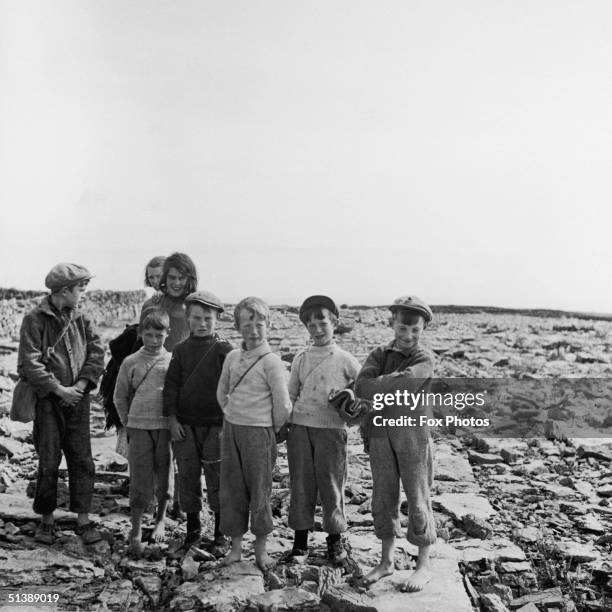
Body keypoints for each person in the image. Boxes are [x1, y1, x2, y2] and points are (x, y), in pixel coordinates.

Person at [17, 263, 105, 545]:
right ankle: (46, 519)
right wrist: (58, 390)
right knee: (49, 459)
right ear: (64, 291)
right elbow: (29, 364)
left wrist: (79, 387)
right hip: (47, 403)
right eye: (80, 289)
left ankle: (83, 519)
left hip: (78, 401)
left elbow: (96, 352)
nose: (83, 294)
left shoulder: (82, 317)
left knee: (82, 459)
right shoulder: (34, 319)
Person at [354, 295, 437, 592]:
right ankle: (386, 561)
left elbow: (406, 383)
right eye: (403, 328)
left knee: (417, 497)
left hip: (412, 436)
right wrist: (387, 384)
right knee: (384, 496)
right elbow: (361, 386)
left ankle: (423, 564)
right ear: (392, 323)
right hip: (380, 434)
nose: (408, 335)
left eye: (415, 330)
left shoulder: (424, 358)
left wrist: (381, 385)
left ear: (423, 329)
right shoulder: (379, 352)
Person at [216, 297, 291, 570]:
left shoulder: (271, 361)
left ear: (268, 325)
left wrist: (269, 428)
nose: (254, 329)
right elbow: (221, 391)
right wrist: (231, 413)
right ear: (237, 326)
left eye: (260, 323)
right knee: (232, 488)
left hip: (260, 432)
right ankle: (235, 549)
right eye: (247, 323)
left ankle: (260, 552)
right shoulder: (232, 357)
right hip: (232, 428)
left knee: (260, 490)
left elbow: (283, 404)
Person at [287, 295, 361, 564]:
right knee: (301, 483)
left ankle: (335, 539)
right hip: (301, 428)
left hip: (331, 430)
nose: (317, 329)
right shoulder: (301, 358)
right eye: (311, 324)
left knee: (332, 484)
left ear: (335, 323)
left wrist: (349, 399)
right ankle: (300, 541)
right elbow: (291, 394)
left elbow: (364, 389)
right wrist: (284, 423)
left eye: (323, 323)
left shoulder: (345, 359)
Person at [163, 291, 233, 549]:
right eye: (196, 318)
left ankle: (221, 532)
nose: (202, 323)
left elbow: (233, 390)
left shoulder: (224, 350)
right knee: (188, 476)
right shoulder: (180, 350)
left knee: (217, 477)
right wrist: (172, 419)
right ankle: (193, 529)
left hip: (217, 426)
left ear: (217, 320)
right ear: (187, 319)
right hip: (185, 427)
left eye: (208, 318)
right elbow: (171, 386)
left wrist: (228, 425)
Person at [114, 309, 173, 555]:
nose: (153, 340)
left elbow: (176, 394)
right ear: (140, 334)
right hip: (138, 427)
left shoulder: (172, 360)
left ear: (167, 334)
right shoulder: (131, 362)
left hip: (164, 427)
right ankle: (136, 527)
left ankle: (160, 519)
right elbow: (120, 396)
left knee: (165, 474)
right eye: (148, 335)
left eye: (159, 335)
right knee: (139, 476)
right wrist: (128, 423)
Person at [140, 252, 197, 352]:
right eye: (172, 277)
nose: (176, 283)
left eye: (181, 278)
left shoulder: (197, 307)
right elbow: (141, 341)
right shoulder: (150, 305)